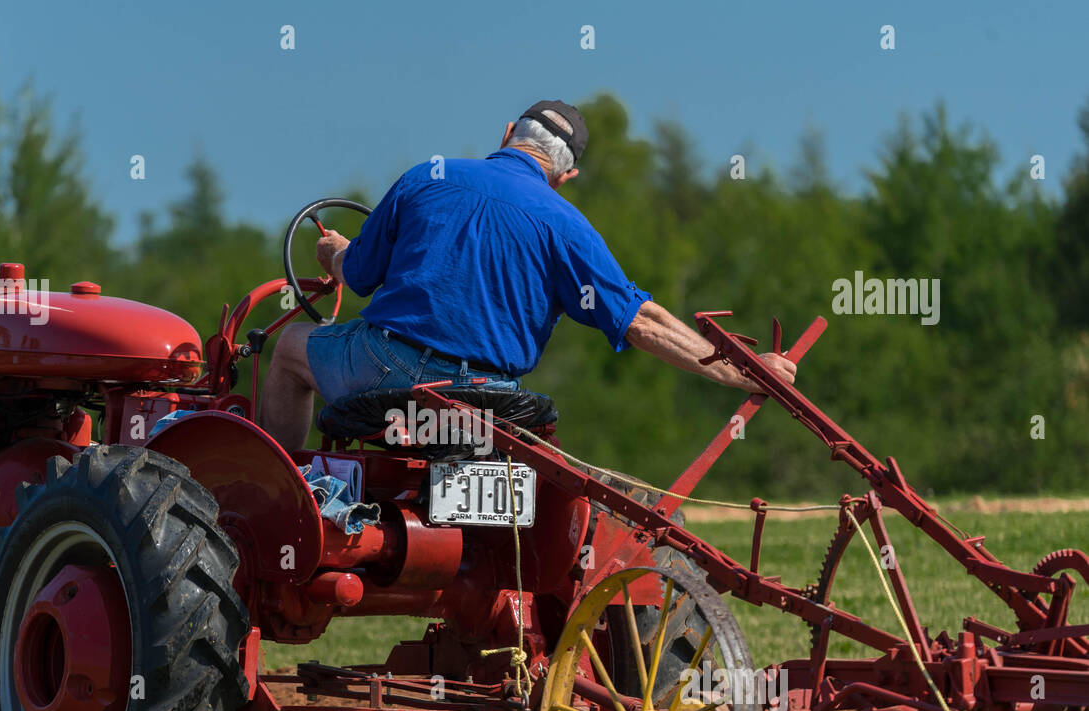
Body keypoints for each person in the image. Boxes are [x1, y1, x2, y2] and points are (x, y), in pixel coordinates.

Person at [257, 99, 797, 451]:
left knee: (290, 348)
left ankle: (282, 492)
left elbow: (361, 274)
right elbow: (641, 321)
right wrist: (743, 373)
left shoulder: (429, 176)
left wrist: (335, 255)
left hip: (389, 371)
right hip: (490, 396)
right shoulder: (568, 224)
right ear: (566, 174)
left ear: (509, 131)